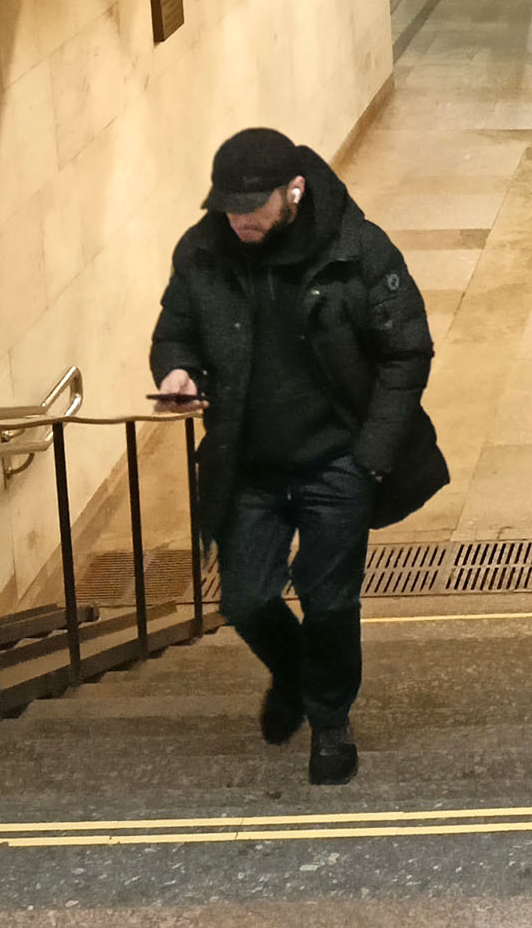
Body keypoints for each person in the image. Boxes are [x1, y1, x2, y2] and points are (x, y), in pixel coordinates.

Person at [149, 127, 447, 786]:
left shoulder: (356, 248)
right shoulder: (202, 251)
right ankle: (292, 668)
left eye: (253, 206)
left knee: (330, 600)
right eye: (229, 206)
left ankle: (330, 721)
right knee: (245, 599)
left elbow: (407, 351)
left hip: (335, 459)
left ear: (295, 190)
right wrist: (178, 369)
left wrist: (370, 452)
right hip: (247, 464)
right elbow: (175, 329)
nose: (240, 219)